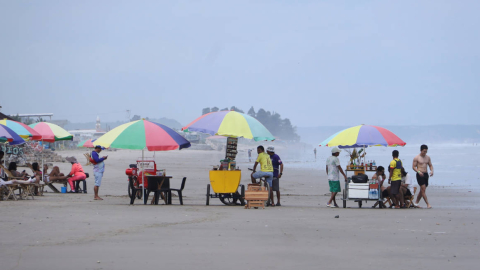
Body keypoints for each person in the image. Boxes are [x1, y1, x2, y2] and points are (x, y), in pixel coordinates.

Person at [412, 144, 434, 208]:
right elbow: (413, 167)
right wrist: (418, 171)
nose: (425, 153)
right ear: (421, 150)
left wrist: (432, 171)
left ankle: (416, 203)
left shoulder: (428, 157)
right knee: (423, 189)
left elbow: (430, 165)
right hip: (420, 174)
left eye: (426, 151)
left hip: (426, 174)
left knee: (422, 190)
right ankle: (428, 204)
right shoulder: (417, 157)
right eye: (424, 151)